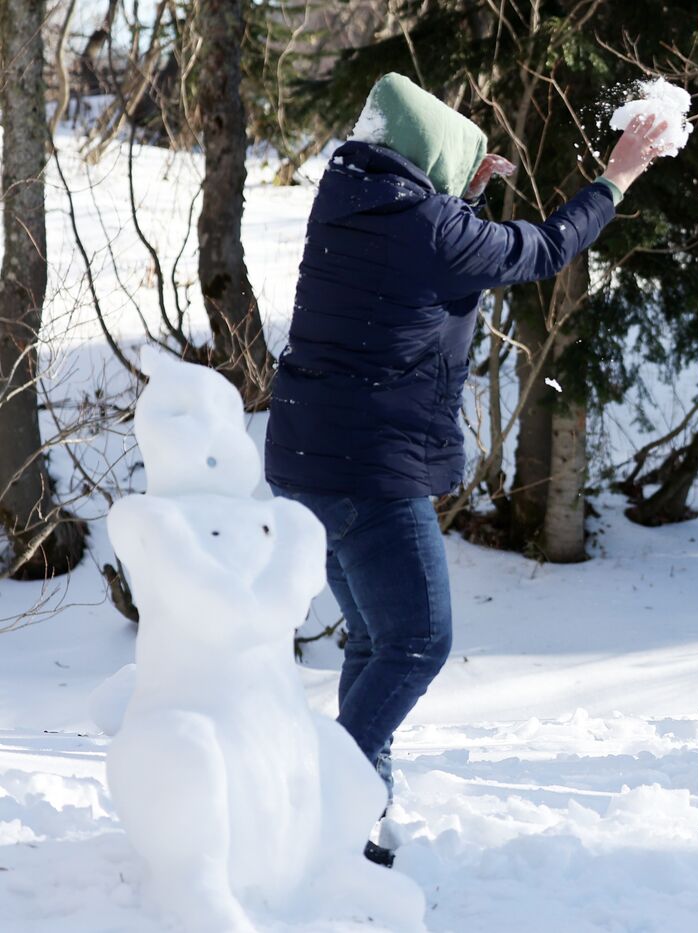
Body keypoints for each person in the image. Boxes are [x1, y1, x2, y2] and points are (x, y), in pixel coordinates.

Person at [264, 73, 668, 864]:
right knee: (418, 640)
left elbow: (426, 253)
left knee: (374, 640)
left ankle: (355, 828)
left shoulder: (346, 197)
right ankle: (323, 798)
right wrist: (616, 176)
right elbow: (544, 248)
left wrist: (464, 191)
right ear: (431, 161)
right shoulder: (429, 227)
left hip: (305, 458)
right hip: (368, 470)